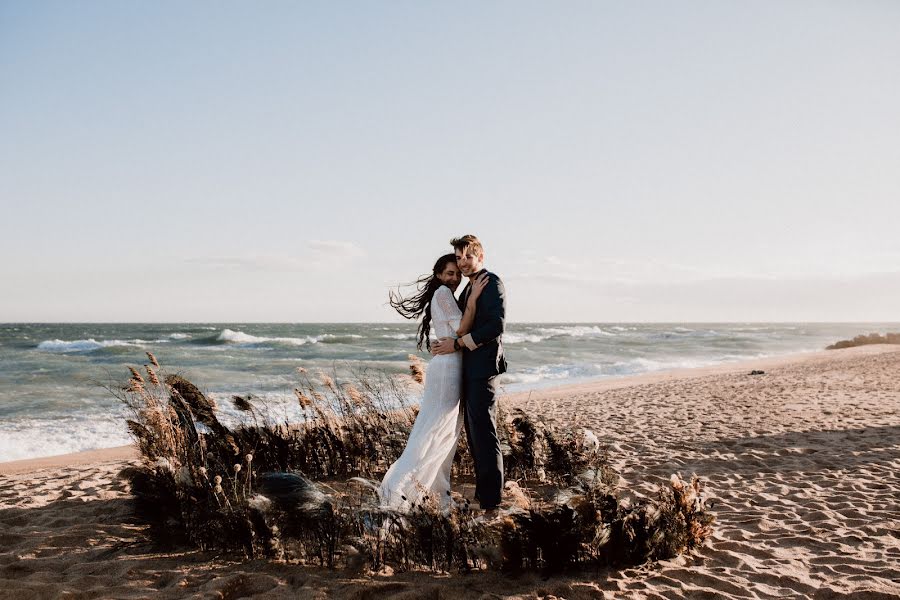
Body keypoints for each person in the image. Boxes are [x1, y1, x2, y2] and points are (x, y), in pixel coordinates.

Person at [379, 253, 487, 510]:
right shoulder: (443, 294)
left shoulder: (442, 295)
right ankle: (399, 493)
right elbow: (461, 327)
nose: (454, 278)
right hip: (447, 369)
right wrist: (474, 297)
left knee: (443, 433)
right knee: (434, 432)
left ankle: (438, 496)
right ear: (439, 274)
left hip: (451, 365)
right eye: (449, 273)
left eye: (457, 274)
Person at [432, 235, 507, 511]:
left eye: (468, 257)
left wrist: (458, 343)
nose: (463, 262)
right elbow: (459, 325)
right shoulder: (466, 289)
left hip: (484, 369)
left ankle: (491, 500)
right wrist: (444, 343)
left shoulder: (491, 283)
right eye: (459, 257)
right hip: (467, 369)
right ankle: (484, 496)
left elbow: (495, 326)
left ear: (481, 257)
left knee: (485, 432)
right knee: (475, 434)